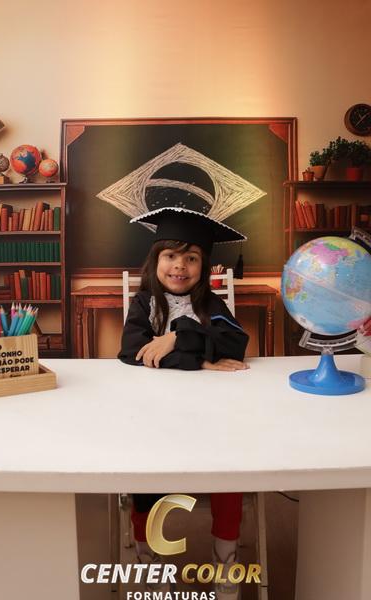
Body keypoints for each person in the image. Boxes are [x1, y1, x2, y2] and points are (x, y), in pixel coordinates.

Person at [119, 206, 250, 599]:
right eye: (171, 255)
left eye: (191, 258)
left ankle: (225, 562)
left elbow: (235, 344)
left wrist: (175, 338)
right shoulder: (144, 304)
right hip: (152, 414)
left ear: (204, 266)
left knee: (231, 471)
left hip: (212, 416)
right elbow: (134, 352)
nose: (180, 266)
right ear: (156, 260)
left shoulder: (212, 305)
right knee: (144, 476)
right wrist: (202, 360)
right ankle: (150, 560)